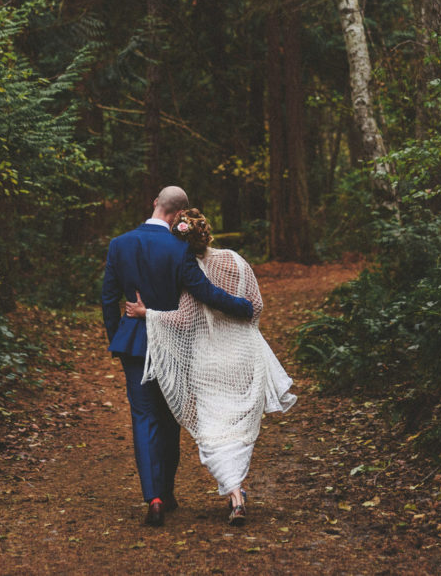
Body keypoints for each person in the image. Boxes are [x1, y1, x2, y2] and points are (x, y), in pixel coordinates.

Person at [123, 208, 296, 526]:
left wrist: (147, 314)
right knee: (239, 428)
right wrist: (238, 325)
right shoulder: (236, 261)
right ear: (207, 231)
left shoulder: (189, 273)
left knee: (214, 432)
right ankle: (237, 496)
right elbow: (255, 306)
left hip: (209, 361)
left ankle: (235, 492)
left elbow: (185, 321)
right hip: (243, 355)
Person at [101, 186, 257, 527]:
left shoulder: (120, 244)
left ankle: (153, 497)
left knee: (143, 418)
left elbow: (108, 297)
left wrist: (117, 339)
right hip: (173, 341)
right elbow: (204, 292)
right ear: (178, 216)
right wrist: (242, 307)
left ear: (155, 203)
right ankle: (168, 492)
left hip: (133, 343)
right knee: (169, 415)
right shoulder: (179, 248)